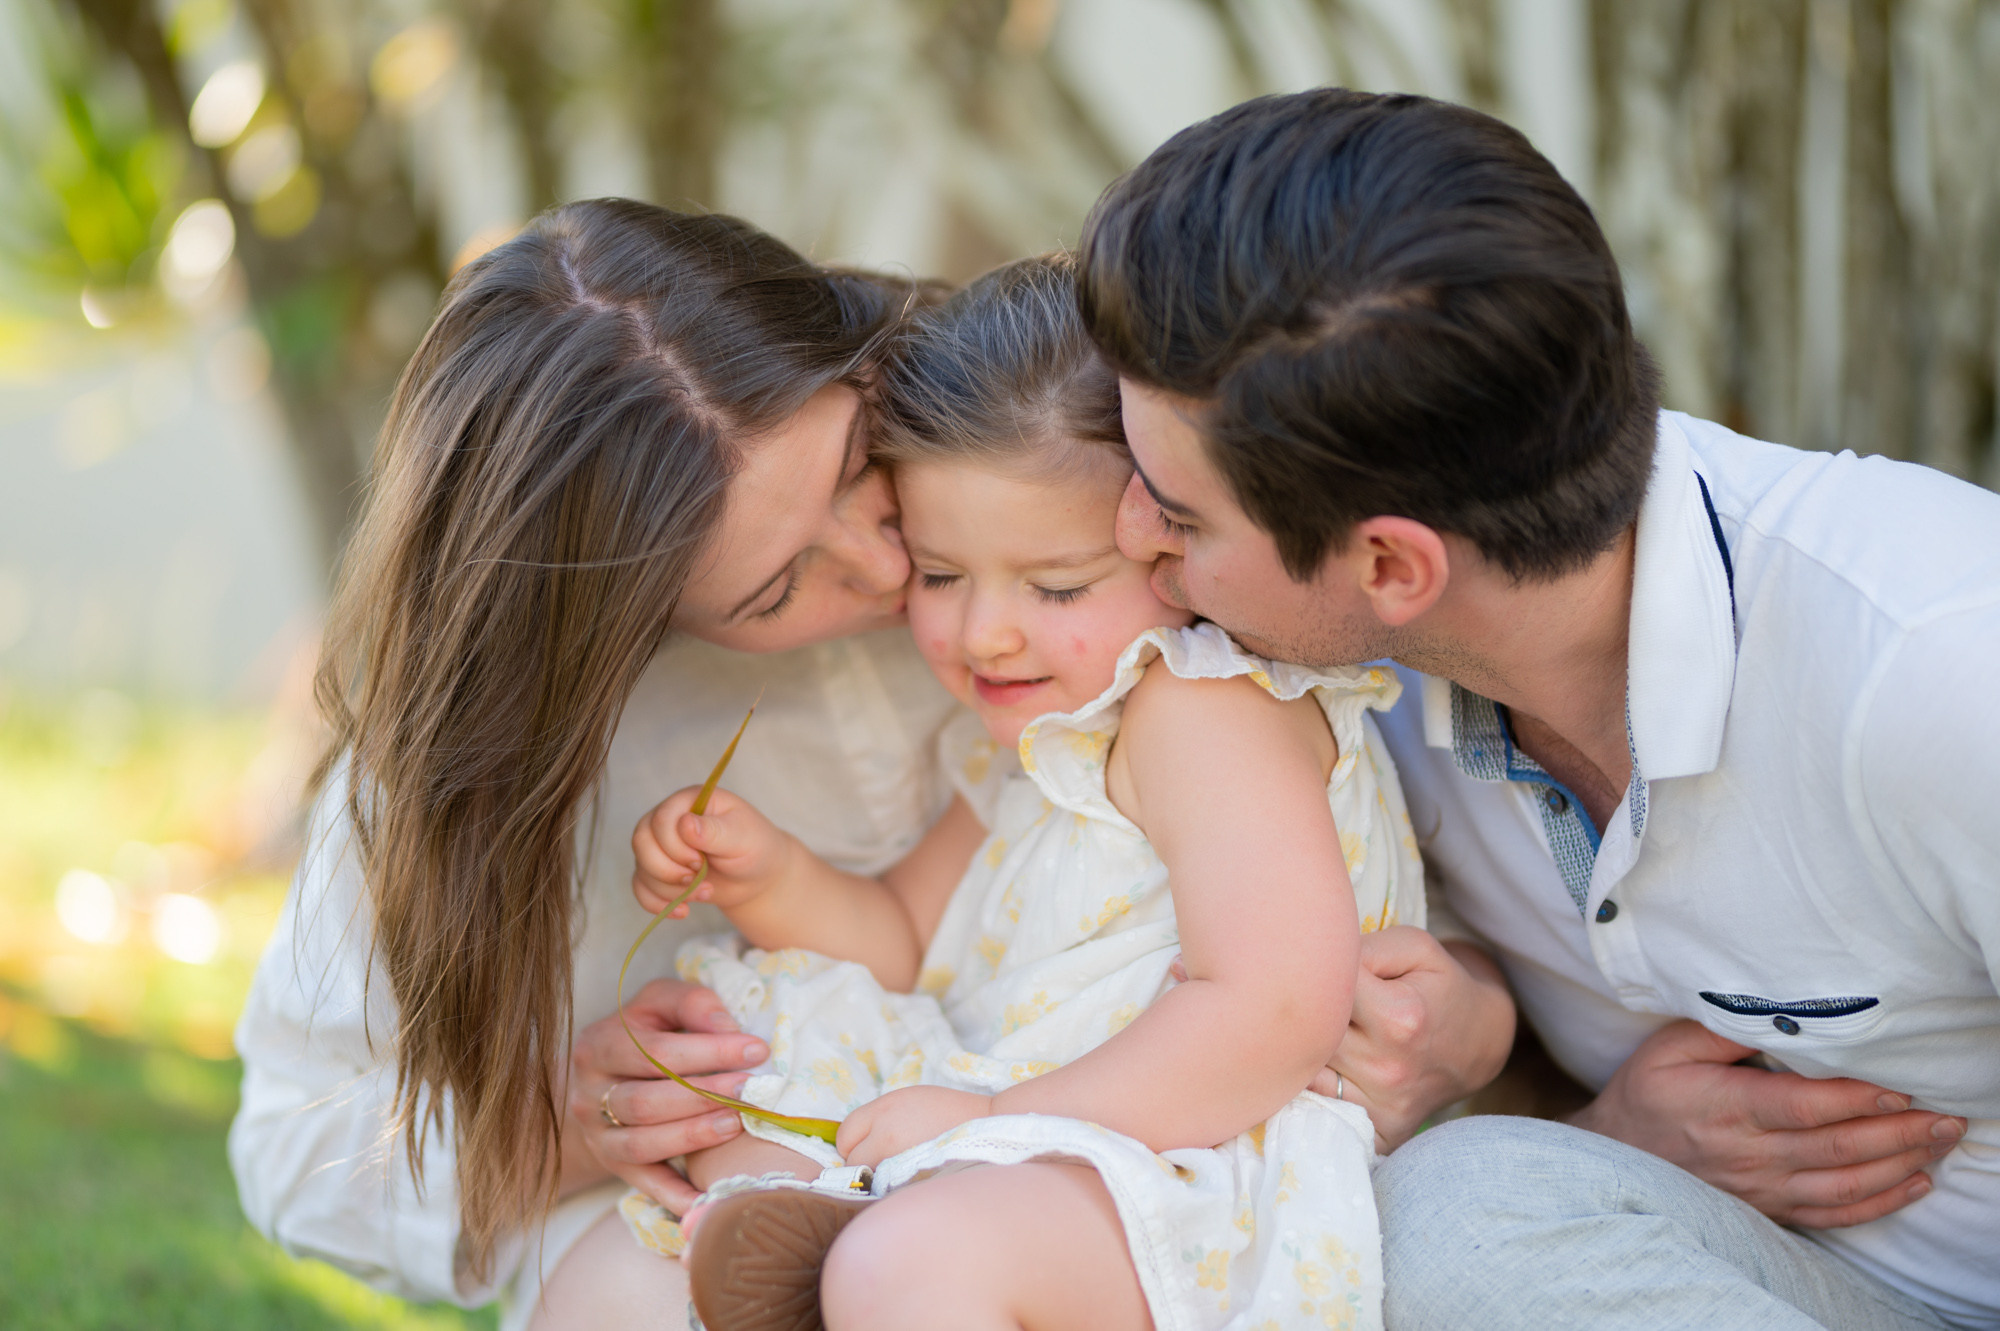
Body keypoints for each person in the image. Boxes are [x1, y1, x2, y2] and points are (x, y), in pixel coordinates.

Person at [1083, 88, 1998, 1331]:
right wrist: (1596, 1129)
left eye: (1178, 513)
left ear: (1389, 565)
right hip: (1742, 1276)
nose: (1127, 534)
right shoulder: (1310, 691)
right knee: (1457, 1212)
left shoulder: (1938, 664)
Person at [622, 254, 1424, 1331]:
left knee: (907, 1265)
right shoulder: (1043, 744)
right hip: (1030, 1127)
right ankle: (815, 1223)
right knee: (754, 1073)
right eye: (941, 575)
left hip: (1191, 1151)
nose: (983, 632)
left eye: (1055, 586)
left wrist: (994, 1116)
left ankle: (857, 1245)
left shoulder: (1201, 709)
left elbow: (1275, 1006)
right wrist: (769, 878)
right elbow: (905, 936)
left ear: (1173, 542)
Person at [228, 199, 966, 1331]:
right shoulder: (485, 763)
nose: (883, 564)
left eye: (857, 465)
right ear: (617, 622)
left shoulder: (1018, 450)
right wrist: (564, 1127)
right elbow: (291, 1145)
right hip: (695, 1223)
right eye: (774, 591)